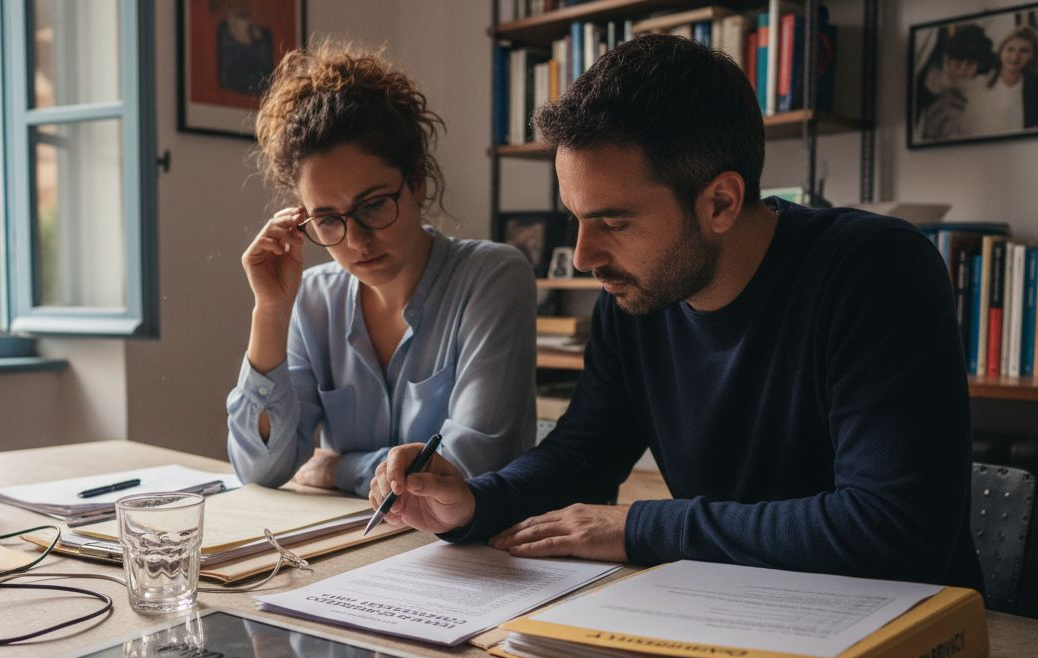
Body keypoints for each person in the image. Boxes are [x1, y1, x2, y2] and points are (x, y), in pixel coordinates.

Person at [371, 35, 983, 589]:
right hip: (736, 606)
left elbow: (894, 532)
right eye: (576, 220)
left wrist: (640, 527)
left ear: (720, 201)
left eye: (613, 221)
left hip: (908, 636)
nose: (585, 257)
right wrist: (474, 502)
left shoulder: (878, 272)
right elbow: (583, 455)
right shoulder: (637, 294)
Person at [226, 41, 537, 498]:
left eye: (372, 205)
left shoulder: (492, 277)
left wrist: (336, 469)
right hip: (356, 542)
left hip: (470, 551)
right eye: (328, 219)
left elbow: (469, 464)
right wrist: (270, 311)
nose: (355, 241)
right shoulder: (311, 299)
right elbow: (260, 468)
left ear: (417, 183)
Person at [916, 23, 990, 142]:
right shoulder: (929, 80)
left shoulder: (980, 94)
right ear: (947, 60)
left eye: (970, 64)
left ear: (978, 66)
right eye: (958, 62)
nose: (962, 68)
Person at [960, 24, 1038, 136]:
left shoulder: (1034, 88)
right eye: (1010, 49)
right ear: (1001, 51)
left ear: (1032, 55)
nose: (1015, 56)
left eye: (1024, 51)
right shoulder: (978, 83)